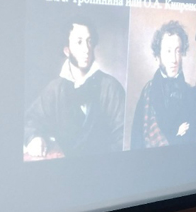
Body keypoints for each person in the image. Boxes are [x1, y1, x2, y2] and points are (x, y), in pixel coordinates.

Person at [24, 19, 125, 158]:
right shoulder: (55, 89)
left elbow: (123, 137)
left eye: (89, 41)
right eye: (79, 42)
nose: (86, 49)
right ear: (67, 50)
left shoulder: (111, 88)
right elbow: (30, 120)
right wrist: (34, 138)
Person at [131, 21, 196, 148]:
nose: (174, 59)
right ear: (157, 56)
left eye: (178, 51)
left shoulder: (193, 95)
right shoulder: (147, 93)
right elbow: (136, 141)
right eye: (168, 51)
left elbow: (194, 141)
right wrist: (177, 133)